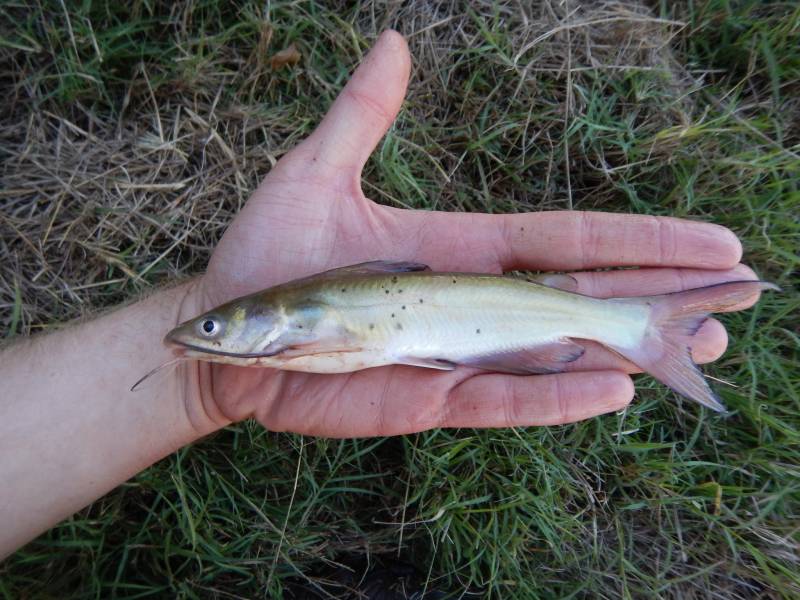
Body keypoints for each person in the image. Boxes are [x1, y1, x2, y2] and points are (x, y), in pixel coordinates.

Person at [0, 30, 759, 559]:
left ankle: (640, 328)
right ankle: (638, 328)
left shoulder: (292, 331)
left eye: (221, 323)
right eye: (220, 324)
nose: (209, 333)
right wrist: (193, 343)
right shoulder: (282, 331)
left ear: (278, 319)